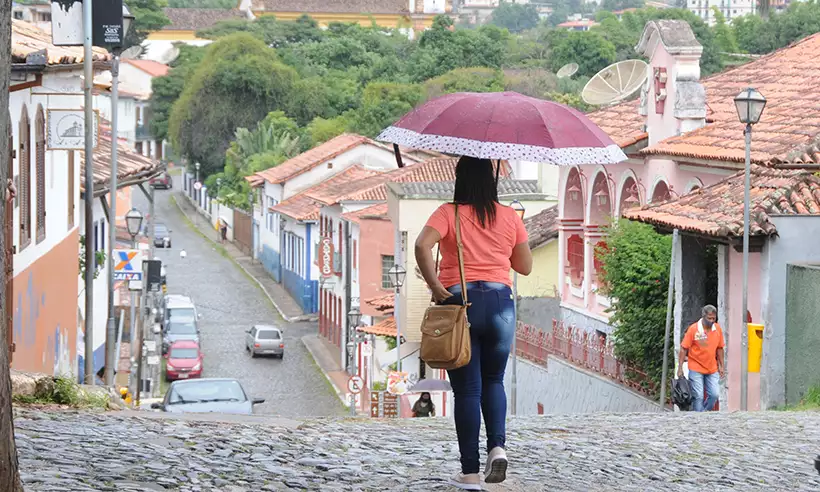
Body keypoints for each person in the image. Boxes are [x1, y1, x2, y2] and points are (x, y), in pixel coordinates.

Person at [415, 156, 532, 490]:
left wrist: (436, 287)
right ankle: (497, 447)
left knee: (467, 389)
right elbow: (523, 266)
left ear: (460, 179)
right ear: (491, 181)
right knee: (494, 380)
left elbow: (422, 244)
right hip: (499, 303)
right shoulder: (510, 216)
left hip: (459, 302)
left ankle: (469, 474)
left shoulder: (447, 212)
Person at [677, 304, 725, 412]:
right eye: (709, 318)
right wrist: (680, 367)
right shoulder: (693, 329)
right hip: (696, 367)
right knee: (698, 396)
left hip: (712, 368)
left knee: (714, 394)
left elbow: (720, 348)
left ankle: (703, 413)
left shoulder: (717, 329)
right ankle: (699, 418)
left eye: (714, 318)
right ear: (703, 316)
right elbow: (683, 348)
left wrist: (721, 366)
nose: (712, 320)